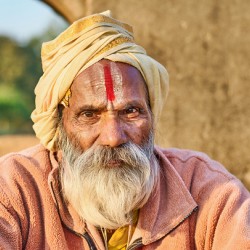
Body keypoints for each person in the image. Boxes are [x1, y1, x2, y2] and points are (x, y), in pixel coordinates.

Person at [0, 10, 249, 250]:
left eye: (131, 112)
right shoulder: (13, 189)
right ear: (59, 124)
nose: (113, 137)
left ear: (151, 115)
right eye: (89, 114)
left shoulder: (210, 192)